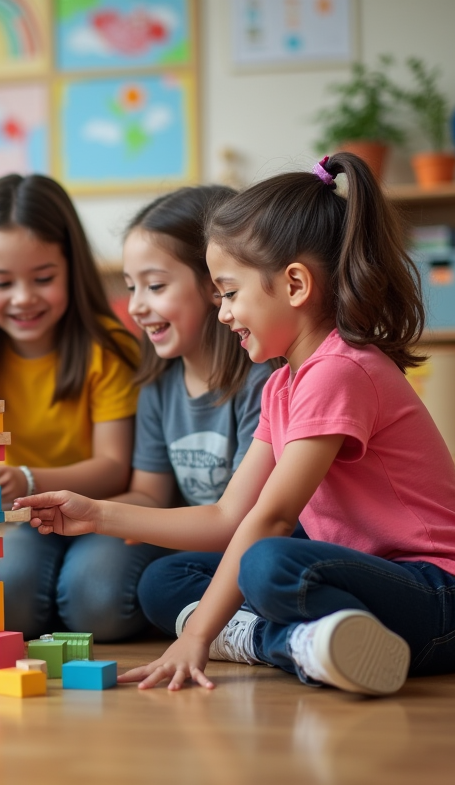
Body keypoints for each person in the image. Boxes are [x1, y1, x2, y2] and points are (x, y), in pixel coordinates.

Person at [17, 154, 455, 696]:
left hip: (446, 599)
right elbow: (230, 517)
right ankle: (305, 645)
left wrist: (198, 635)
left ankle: (284, 642)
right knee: (165, 578)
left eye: (228, 292)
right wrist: (98, 514)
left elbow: (269, 520)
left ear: (294, 284)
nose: (223, 313)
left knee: (269, 559)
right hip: (359, 585)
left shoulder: (341, 370)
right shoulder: (282, 386)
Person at [0, 173, 143, 641]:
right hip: (18, 518)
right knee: (1, 602)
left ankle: (64, 601)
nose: (23, 298)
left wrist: (29, 480)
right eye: (1, 281)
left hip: (97, 509)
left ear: (71, 269)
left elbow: (116, 468)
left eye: (43, 278)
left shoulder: (108, 347)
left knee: (97, 601)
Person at [112, 186, 283, 639]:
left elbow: (245, 521)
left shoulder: (261, 380)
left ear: (214, 285)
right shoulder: (159, 386)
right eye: (131, 288)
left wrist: (100, 516)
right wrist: (70, 510)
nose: (136, 306)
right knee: (159, 583)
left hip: (260, 541)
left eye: (155, 286)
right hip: (209, 546)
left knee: (166, 582)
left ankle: (241, 631)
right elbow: (147, 495)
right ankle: (249, 630)